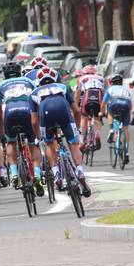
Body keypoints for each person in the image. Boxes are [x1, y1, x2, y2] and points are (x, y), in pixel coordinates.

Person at [30, 66, 90, 196]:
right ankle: (79, 170)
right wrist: (77, 129)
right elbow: (77, 111)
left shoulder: (34, 93)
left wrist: (40, 137)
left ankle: (57, 173)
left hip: (46, 112)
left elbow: (34, 121)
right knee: (73, 145)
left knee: (50, 145)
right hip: (63, 109)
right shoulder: (63, 87)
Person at [0, 61, 44, 196]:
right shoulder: (28, 81)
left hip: (10, 114)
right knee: (33, 144)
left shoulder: (0, 86)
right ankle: (38, 175)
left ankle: (15, 173)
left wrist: (1, 133)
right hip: (27, 112)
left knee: (11, 142)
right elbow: (38, 101)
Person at [101, 73, 132, 164]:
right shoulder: (126, 89)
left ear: (112, 82)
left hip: (115, 104)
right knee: (125, 128)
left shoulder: (110, 89)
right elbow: (130, 105)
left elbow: (103, 103)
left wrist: (101, 112)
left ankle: (111, 129)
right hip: (126, 105)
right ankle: (126, 151)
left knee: (110, 113)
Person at [74, 65, 105, 150]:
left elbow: (77, 94)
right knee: (96, 118)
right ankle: (97, 133)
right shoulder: (101, 78)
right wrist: (103, 109)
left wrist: (75, 106)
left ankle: (82, 141)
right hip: (98, 97)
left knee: (84, 118)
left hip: (87, 97)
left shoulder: (81, 78)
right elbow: (103, 93)